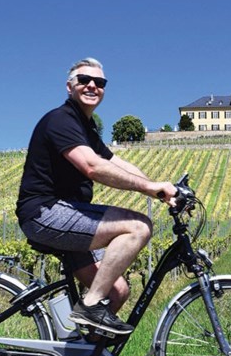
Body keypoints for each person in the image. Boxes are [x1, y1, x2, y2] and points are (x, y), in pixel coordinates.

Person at [16, 57, 177, 339]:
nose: (92, 85)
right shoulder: (61, 120)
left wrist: (160, 187)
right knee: (138, 226)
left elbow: (116, 162)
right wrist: (148, 189)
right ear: (69, 87)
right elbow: (92, 166)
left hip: (69, 212)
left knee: (117, 291)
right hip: (46, 213)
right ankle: (89, 306)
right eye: (84, 80)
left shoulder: (85, 129)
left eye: (99, 82)